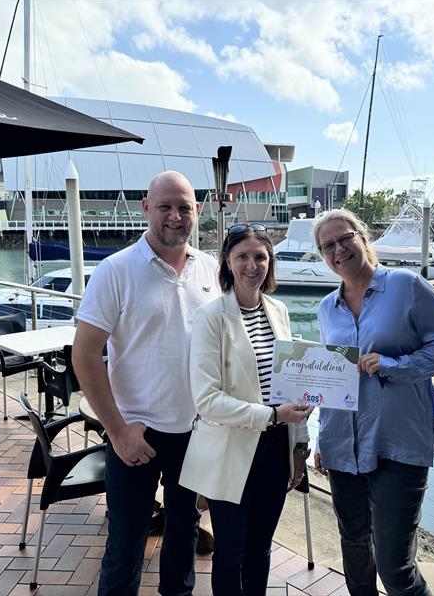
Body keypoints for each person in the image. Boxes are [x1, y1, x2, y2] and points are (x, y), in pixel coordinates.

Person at [72, 171, 220, 596]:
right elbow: (84, 355)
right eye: (165, 207)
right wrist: (117, 431)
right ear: (145, 208)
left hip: (194, 432)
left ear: (197, 211)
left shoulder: (209, 268)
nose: (175, 216)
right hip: (135, 433)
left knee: (184, 536)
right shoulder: (115, 270)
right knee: (126, 545)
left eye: (184, 208)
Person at [311, 209, 434, 596]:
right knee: (355, 553)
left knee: (396, 568)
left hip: (399, 444)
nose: (338, 249)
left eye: (344, 238)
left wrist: (394, 365)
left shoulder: (405, 286)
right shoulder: (326, 309)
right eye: (327, 245)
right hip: (343, 448)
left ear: (363, 239)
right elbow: (334, 378)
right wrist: (323, 438)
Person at [179, 223, 312, 596]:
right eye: (242, 256)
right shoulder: (211, 317)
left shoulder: (279, 310)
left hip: (275, 451)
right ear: (227, 261)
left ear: (270, 263)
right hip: (230, 450)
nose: (252, 265)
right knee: (230, 550)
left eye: (260, 257)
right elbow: (207, 400)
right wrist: (271, 415)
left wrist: (299, 444)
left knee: (261, 548)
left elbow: (291, 382)